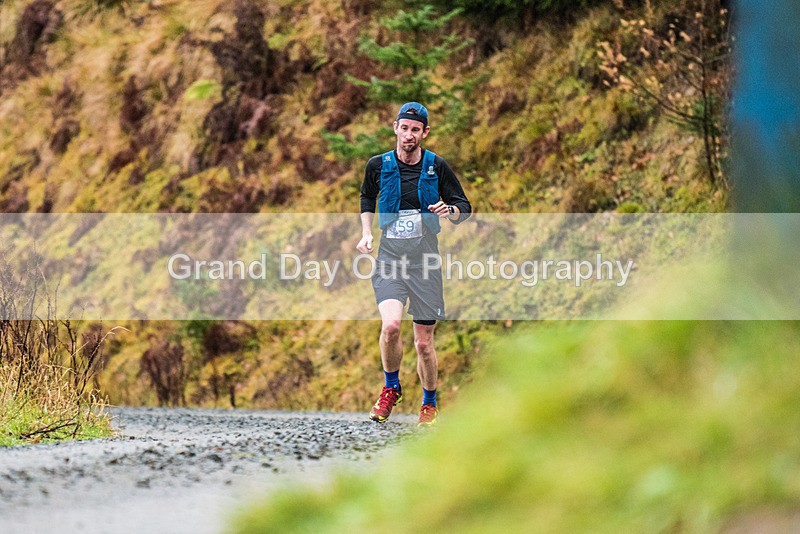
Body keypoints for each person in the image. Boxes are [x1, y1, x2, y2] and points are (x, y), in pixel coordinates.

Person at [357, 101, 471, 427]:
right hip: (390, 259)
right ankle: (391, 387)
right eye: (404, 128)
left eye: (415, 130)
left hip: (425, 265)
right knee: (391, 326)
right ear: (395, 127)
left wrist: (448, 211)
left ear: (425, 133)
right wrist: (366, 233)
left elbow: (464, 207)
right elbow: (367, 197)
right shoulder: (377, 165)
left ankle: (429, 403)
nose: (409, 135)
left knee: (423, 343)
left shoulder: (437, 166)